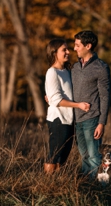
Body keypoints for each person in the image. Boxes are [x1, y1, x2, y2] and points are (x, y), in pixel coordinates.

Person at [44, 38, 90, 174]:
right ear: (54, 53)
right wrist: (78, 105)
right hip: (58, 119)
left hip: (69, 120)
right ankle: (47, 182)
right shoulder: (52, 72)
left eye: (67, 49)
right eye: (64, 50)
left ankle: (58, 181)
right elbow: (56, 100)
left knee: (63, 157)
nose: (68, 52)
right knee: (54, 155)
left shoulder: (67, 71)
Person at [71, 30, 111, 180]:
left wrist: (101, 123)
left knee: (94, 156)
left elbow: (105, 96)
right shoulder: (74, 67)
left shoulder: (101, 67)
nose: (74, 48)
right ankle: (85, 183)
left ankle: (95, 185)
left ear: (88, 46)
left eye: (77, 45)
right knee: (84, 155)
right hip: (77, 118)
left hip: (92, 118)